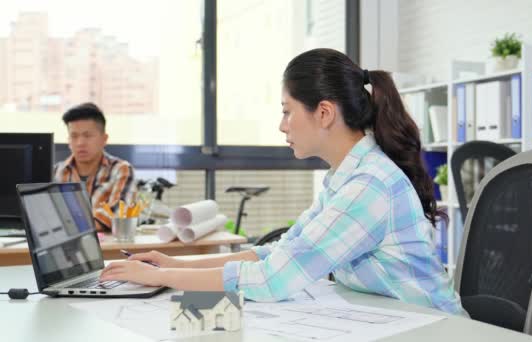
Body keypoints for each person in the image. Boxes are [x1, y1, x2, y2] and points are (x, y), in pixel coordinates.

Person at [100, 48, 466, 315]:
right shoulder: (345, 177)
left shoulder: (369, 185)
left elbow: (274, 279)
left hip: (439, 331)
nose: (282, 125)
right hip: (397, 323)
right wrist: (170, 265)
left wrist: (164, 279)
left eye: (287, 111)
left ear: (324, 113)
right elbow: (278, 253)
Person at [54, 102, 135, 231]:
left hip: (107, 248)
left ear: (104, 139)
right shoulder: (56, 172)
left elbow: (118, 213)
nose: (80, 143)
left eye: (87, 135)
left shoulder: (121, 169)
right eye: (74, 136)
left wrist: (67, 226)